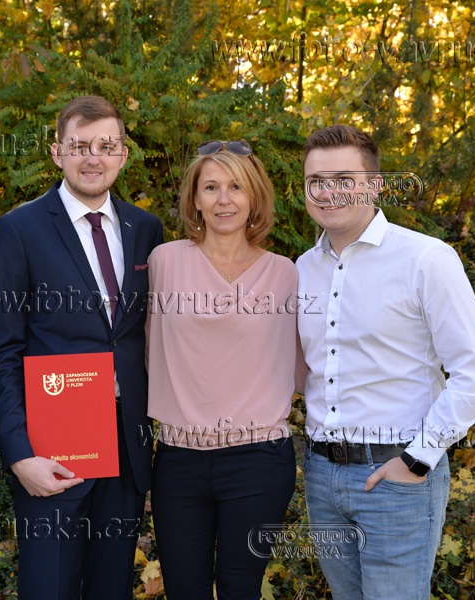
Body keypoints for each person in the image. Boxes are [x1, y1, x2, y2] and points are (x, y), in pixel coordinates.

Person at [296, 124, 475, 599]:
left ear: (375, 185)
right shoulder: (302, 269)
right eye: (316, 181)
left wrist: (418, 458)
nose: (327, 192)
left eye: (343, 179)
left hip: (398, 476)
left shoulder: (425, 259)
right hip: (322, 475)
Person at [0, 95, 164, 600]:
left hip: (126, 445)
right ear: (57, 152)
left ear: (123, 154)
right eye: (79, 145)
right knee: (50, 587)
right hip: (52, 446)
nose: (92, 157)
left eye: (106, 146)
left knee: (112, 587)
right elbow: (1, 351)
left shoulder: (146, 229)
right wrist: (20, 455)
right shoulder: (18, 230)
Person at [145, 140, 300, 599]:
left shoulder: (286, 274)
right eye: (211, 187)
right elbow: (138, 348)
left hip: (259, 459)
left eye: (236, 187)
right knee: (184, 590)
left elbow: (314, 361)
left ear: (254, 197)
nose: (223, 199)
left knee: (240, 589)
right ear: (195, 199)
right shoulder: (164, 262)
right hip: (179, 458)